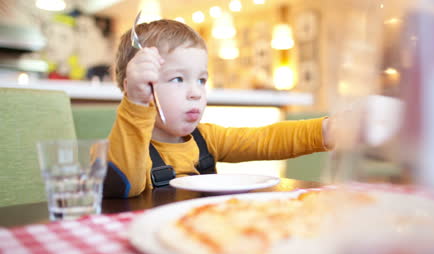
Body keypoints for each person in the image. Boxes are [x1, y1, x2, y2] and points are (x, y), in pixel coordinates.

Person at [103, 19, 333, 198]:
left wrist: (325, 130)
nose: (196, 92)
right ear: (136, 87)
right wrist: (136, 105)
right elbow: (126, 184)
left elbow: (265, 139)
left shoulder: (207, 138)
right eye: (177, 79)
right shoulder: (118, 149)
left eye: (201, 80)